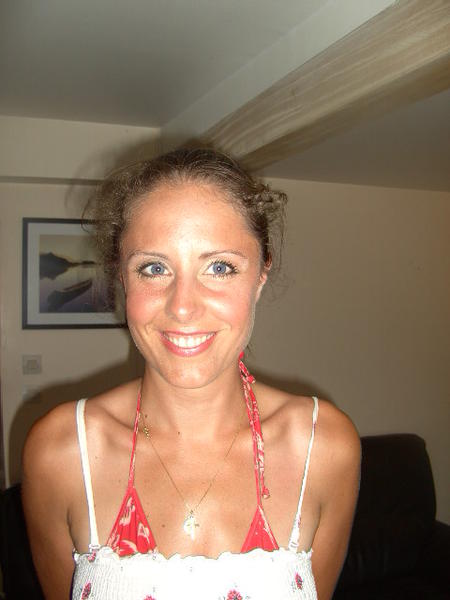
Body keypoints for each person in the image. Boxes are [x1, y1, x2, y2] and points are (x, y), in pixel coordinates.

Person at [22, 147, 360, 600]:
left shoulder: (323, 446)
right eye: (154, 268)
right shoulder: (63, 451)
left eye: (219, 267)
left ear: (260, 276)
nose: (182, 306)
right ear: (122, 279)